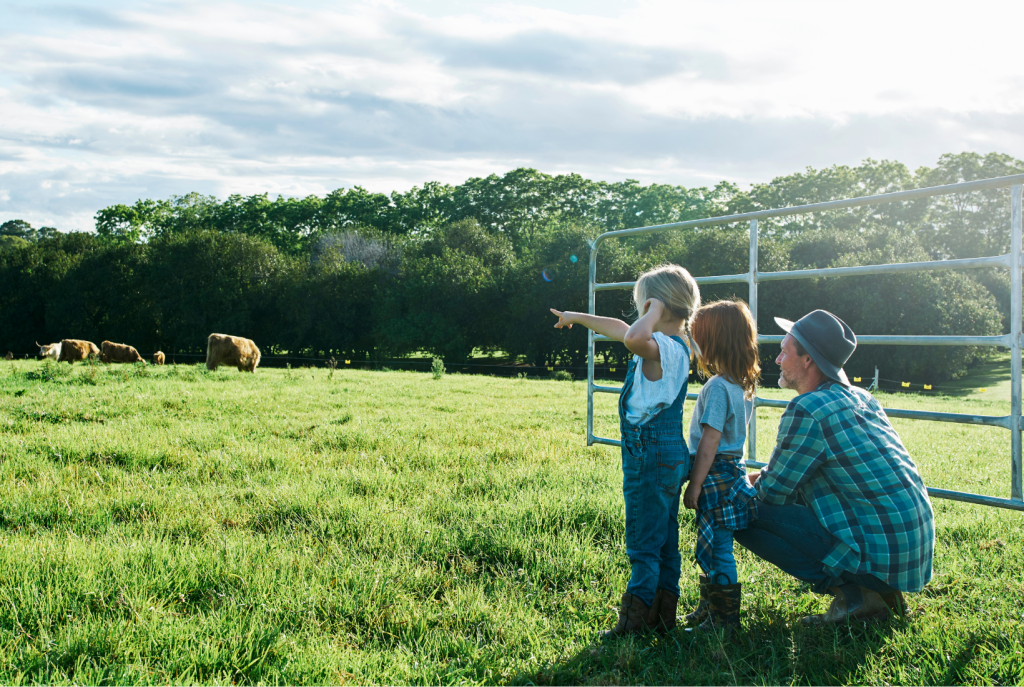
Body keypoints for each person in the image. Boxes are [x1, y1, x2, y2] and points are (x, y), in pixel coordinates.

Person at [735, 310, 935, 624]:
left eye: (784, 351)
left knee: (737, 510)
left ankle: (858, 596)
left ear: (808, 361)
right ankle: (878, 590)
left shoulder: (808, 408)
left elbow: (772, 492)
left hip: (880, 556)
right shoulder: (861, 397)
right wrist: (754, 478)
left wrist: (731, 486)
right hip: (908, 551)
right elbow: (787, 474)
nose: (776, 360)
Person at [550, 264, 699, 637]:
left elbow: (631, 336)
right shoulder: (675, 345)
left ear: (658, 308)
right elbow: (621, 328)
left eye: (644, 306)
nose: (638, 315)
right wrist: (577, 317)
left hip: (648, 454)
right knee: (664, 538)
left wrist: (651, 310)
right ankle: (663, 615)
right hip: (667, 452)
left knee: (643, 543)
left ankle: (634, 625)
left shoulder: (658, 346)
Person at [681, 299, 760, 632]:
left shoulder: (716, 388)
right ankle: (711, 608)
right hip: (733, 472)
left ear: (714, 342)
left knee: (718, 548)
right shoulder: (741, 385)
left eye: (699, 338)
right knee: (715, 543)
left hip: (715, 476)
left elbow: (709, 443)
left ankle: (723, 618)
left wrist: (695, 484)